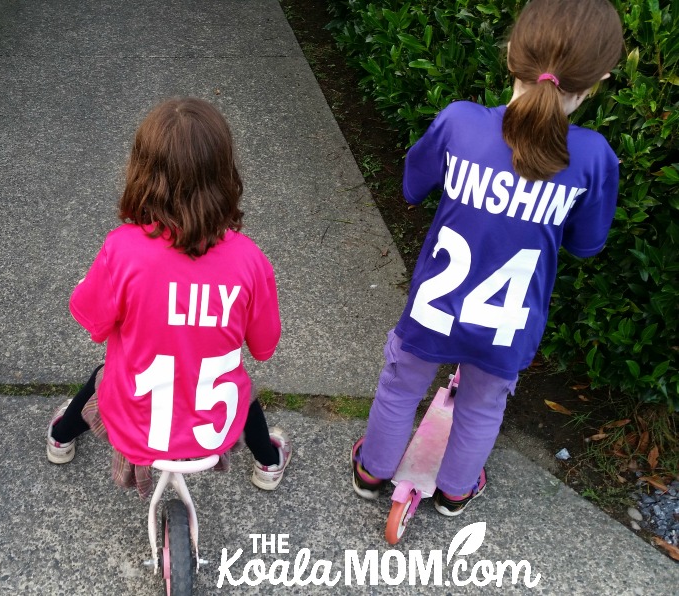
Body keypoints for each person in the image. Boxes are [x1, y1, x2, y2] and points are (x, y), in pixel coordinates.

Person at [352, 0, 624, 516]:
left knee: (400, 386)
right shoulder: (593, 158)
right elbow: (586, 244)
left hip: (433, 308)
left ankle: (372, 471)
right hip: (508, 326)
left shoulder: (461, 123)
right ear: (600, 79)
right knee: (481, 406)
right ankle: (454, 491)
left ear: (510, 58)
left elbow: (413, 187)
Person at [46, 97, 291, 495]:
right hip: (212, 431)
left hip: (136, 428)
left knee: (104, 375)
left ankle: (61, 436)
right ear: (225, 175)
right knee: (243, 386)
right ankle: (268, 460)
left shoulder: (121, 251)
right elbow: (264, 346)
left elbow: (91, 320)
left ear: (142, 174)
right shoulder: (250, 261)